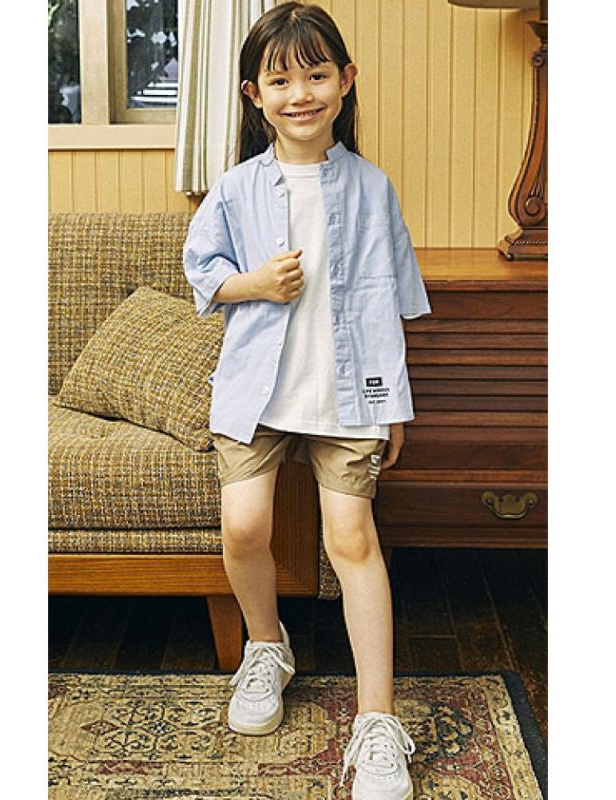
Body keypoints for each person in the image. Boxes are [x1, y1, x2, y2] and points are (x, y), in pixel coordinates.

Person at [182, 4, 431, 798]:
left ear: (345, 81)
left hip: (350, 395)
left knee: (352, 539)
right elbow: (202, 272)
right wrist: (253, 282)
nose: (301, 94)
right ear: (254, 94)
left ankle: (377, 721)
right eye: (281, 80)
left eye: (317, 75)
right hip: (257, 390)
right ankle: (267, 647)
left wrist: (394, 403)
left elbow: (393, 299)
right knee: (244, 525)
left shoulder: (373, 188)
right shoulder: (234, 189)